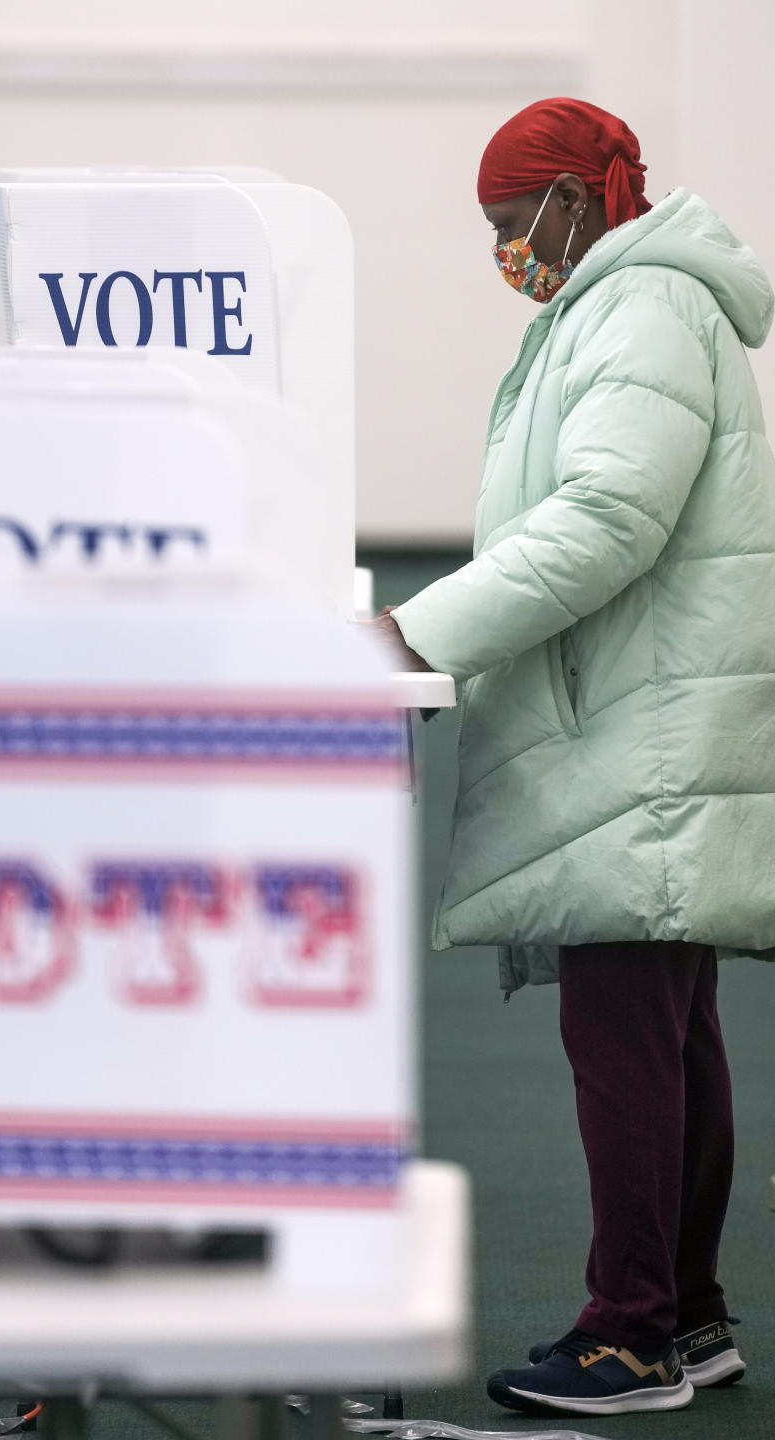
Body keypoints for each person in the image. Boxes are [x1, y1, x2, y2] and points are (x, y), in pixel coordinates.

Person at [377, 96, 775, 1418]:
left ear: (575, 199)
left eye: (511, 222)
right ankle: (692, 1315)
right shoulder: (608, 305)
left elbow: (606, 519)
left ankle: (628, 1338)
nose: (505, 251)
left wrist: (411, 635)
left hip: (640, 730)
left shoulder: (644, 308)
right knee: (669, 1034)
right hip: (635, 717)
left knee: (626, 1037)